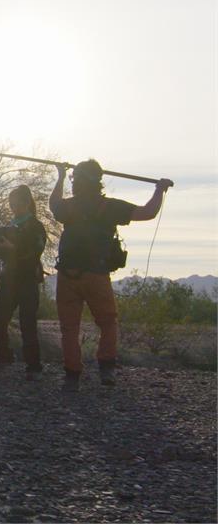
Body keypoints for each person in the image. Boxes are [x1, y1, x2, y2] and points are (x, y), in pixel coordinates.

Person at [49, 159, 173, 392]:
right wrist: (159, 190)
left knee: (69, 328)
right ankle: (106, 367)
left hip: (68, 276)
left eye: (75, 179)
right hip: (96, 276)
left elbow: (53, 203)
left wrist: (60, 176)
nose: (73, 183)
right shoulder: (110, 207)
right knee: (107, 322)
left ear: (79, 181)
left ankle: (72, 376)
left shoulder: (69, 207)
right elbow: (148, 212)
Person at [0, 185, 47, 380]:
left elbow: (34, 252)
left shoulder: (35, 226)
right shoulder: (10, 225)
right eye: (10, 202)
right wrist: (2, 246)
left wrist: (12, 247)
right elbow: (5, 254)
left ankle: (33, 366)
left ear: (26, 202)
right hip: (8, 278)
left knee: (27, 323)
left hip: (27, 279)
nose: (13, 206)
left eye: (15, 202)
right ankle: (5, 357)